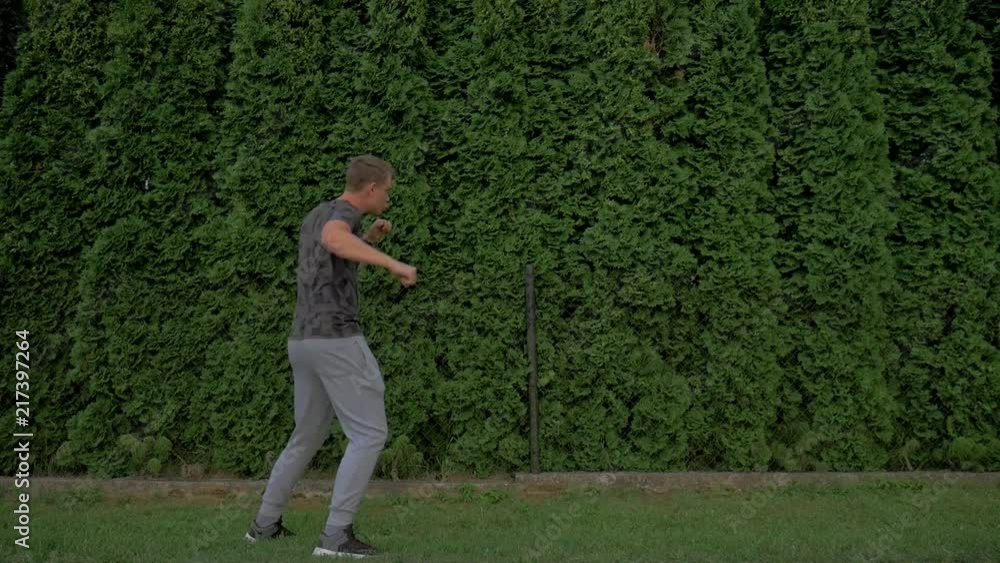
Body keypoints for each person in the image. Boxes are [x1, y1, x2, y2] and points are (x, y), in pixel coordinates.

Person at [244, 155, 417, 558]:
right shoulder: (341, 217)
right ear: (371, 189)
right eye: (387, 190)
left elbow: (331, 256)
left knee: (307, 434)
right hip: (336, 339)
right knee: (369, 433)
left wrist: (369, 241)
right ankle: (336, 536)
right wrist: (392, 264)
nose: (389, 198)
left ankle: (264, 525)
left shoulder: (317, 213)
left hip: (303, 340)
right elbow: (334, 239)